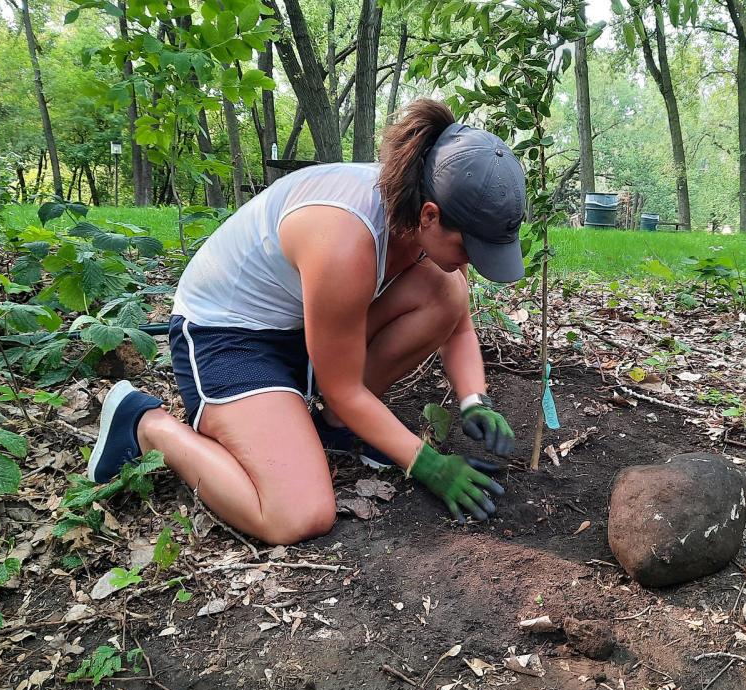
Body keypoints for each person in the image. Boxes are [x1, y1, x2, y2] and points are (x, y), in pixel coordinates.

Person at [86, 99, 524, 546]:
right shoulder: (344, 239)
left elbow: (459, 325)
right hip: (230, 339)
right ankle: (144, 424)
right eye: (471, 248)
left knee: (447, 290)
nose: (473, 259)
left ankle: (338, 427)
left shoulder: (427, 209)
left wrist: (474, 399)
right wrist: (427, 463)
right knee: (297, 514)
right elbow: (344, 386)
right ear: (430, 215)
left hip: (304, 327)